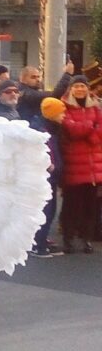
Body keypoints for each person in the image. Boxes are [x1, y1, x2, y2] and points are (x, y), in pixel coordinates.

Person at [59, 75, 102, 254]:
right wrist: (89, 128)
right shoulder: (63, 107)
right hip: (74, 164)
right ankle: (68, 238)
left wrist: (89, 131)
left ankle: (86, 239)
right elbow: (72, 130)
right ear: (71, 89)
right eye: (76, 86)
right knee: (71, 205)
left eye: (83, 86)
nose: (80, 89)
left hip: (94, 167)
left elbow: (99, 131)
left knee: (91, 206)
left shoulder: (96, 107)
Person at [27, 97, 66, 257]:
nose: (64, 116)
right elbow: (41, 151)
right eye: (61, 113)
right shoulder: (42, 130)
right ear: (52, 114)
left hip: (51, 176)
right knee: (45, 210)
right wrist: (50, 166)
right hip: (45, 177)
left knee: (50, 210)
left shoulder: (50, 127)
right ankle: (38, 243)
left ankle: (42, 239)